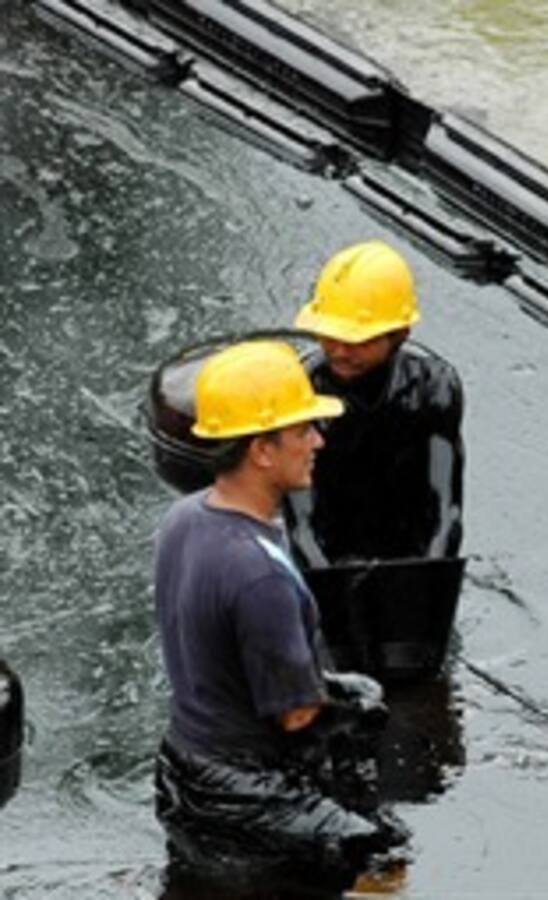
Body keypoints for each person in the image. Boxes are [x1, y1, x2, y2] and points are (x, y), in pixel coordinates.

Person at [152, 340, 407, 893]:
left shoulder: (185, 518)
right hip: (246, 791)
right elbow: (294, 716)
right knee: (379, 849)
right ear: (262, 451)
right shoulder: (258, 576)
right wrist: (346, 704)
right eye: (302, 431)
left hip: (183, 758)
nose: (318, 441)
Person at [290, 240, 464, 564]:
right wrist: (325, 577)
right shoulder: (303, 385)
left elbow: (445, 507)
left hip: (404, 542)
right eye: (330, 336)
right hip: (329, 540)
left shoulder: (433, 387)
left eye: (358, 342)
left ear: (399, 334)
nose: (340, 351)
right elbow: (300, 519)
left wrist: (427, 573)